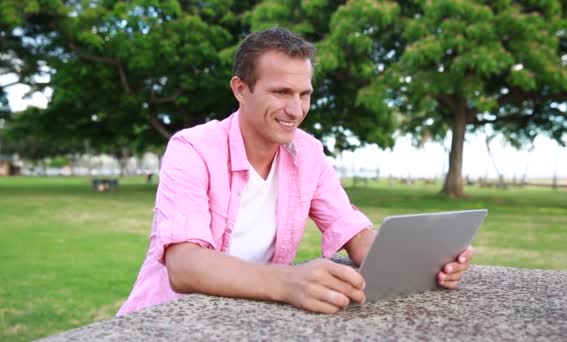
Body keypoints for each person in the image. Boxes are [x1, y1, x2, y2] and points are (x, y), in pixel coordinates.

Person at [117, 27, 474, 316]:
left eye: (304, 94)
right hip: (166, 319)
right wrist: (289, 282)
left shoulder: (308, 152)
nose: (296, 109)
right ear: (240, 89)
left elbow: (352, 230)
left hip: (242, 319)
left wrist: (427, 262)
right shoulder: (191, 148)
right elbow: (184, 265)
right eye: (281, 92)